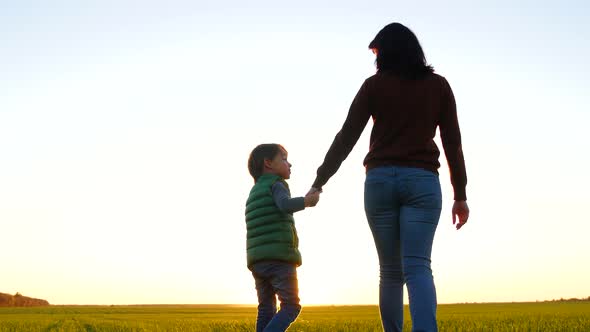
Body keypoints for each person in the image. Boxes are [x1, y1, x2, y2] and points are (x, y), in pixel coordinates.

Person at [308, 23, 470, 332]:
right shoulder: (439, 86)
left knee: (391, 271)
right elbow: (453, 143)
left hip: (380, 181)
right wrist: (460, 194)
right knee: (418, 267)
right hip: (422, 181)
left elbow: (347, 137)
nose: (375, 58)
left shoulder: (374, 86)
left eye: (377, 52)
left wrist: (320, 179)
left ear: (387, 52)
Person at [246, 143, 321, 332]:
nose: (290, 164)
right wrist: (307, 201)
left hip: (257, 261)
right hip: (279, 258)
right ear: (268, 163)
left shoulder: (254, 193)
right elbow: (285, 205)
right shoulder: (276, 184)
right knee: (291, 306)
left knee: (266, 308)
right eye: (285, 159)